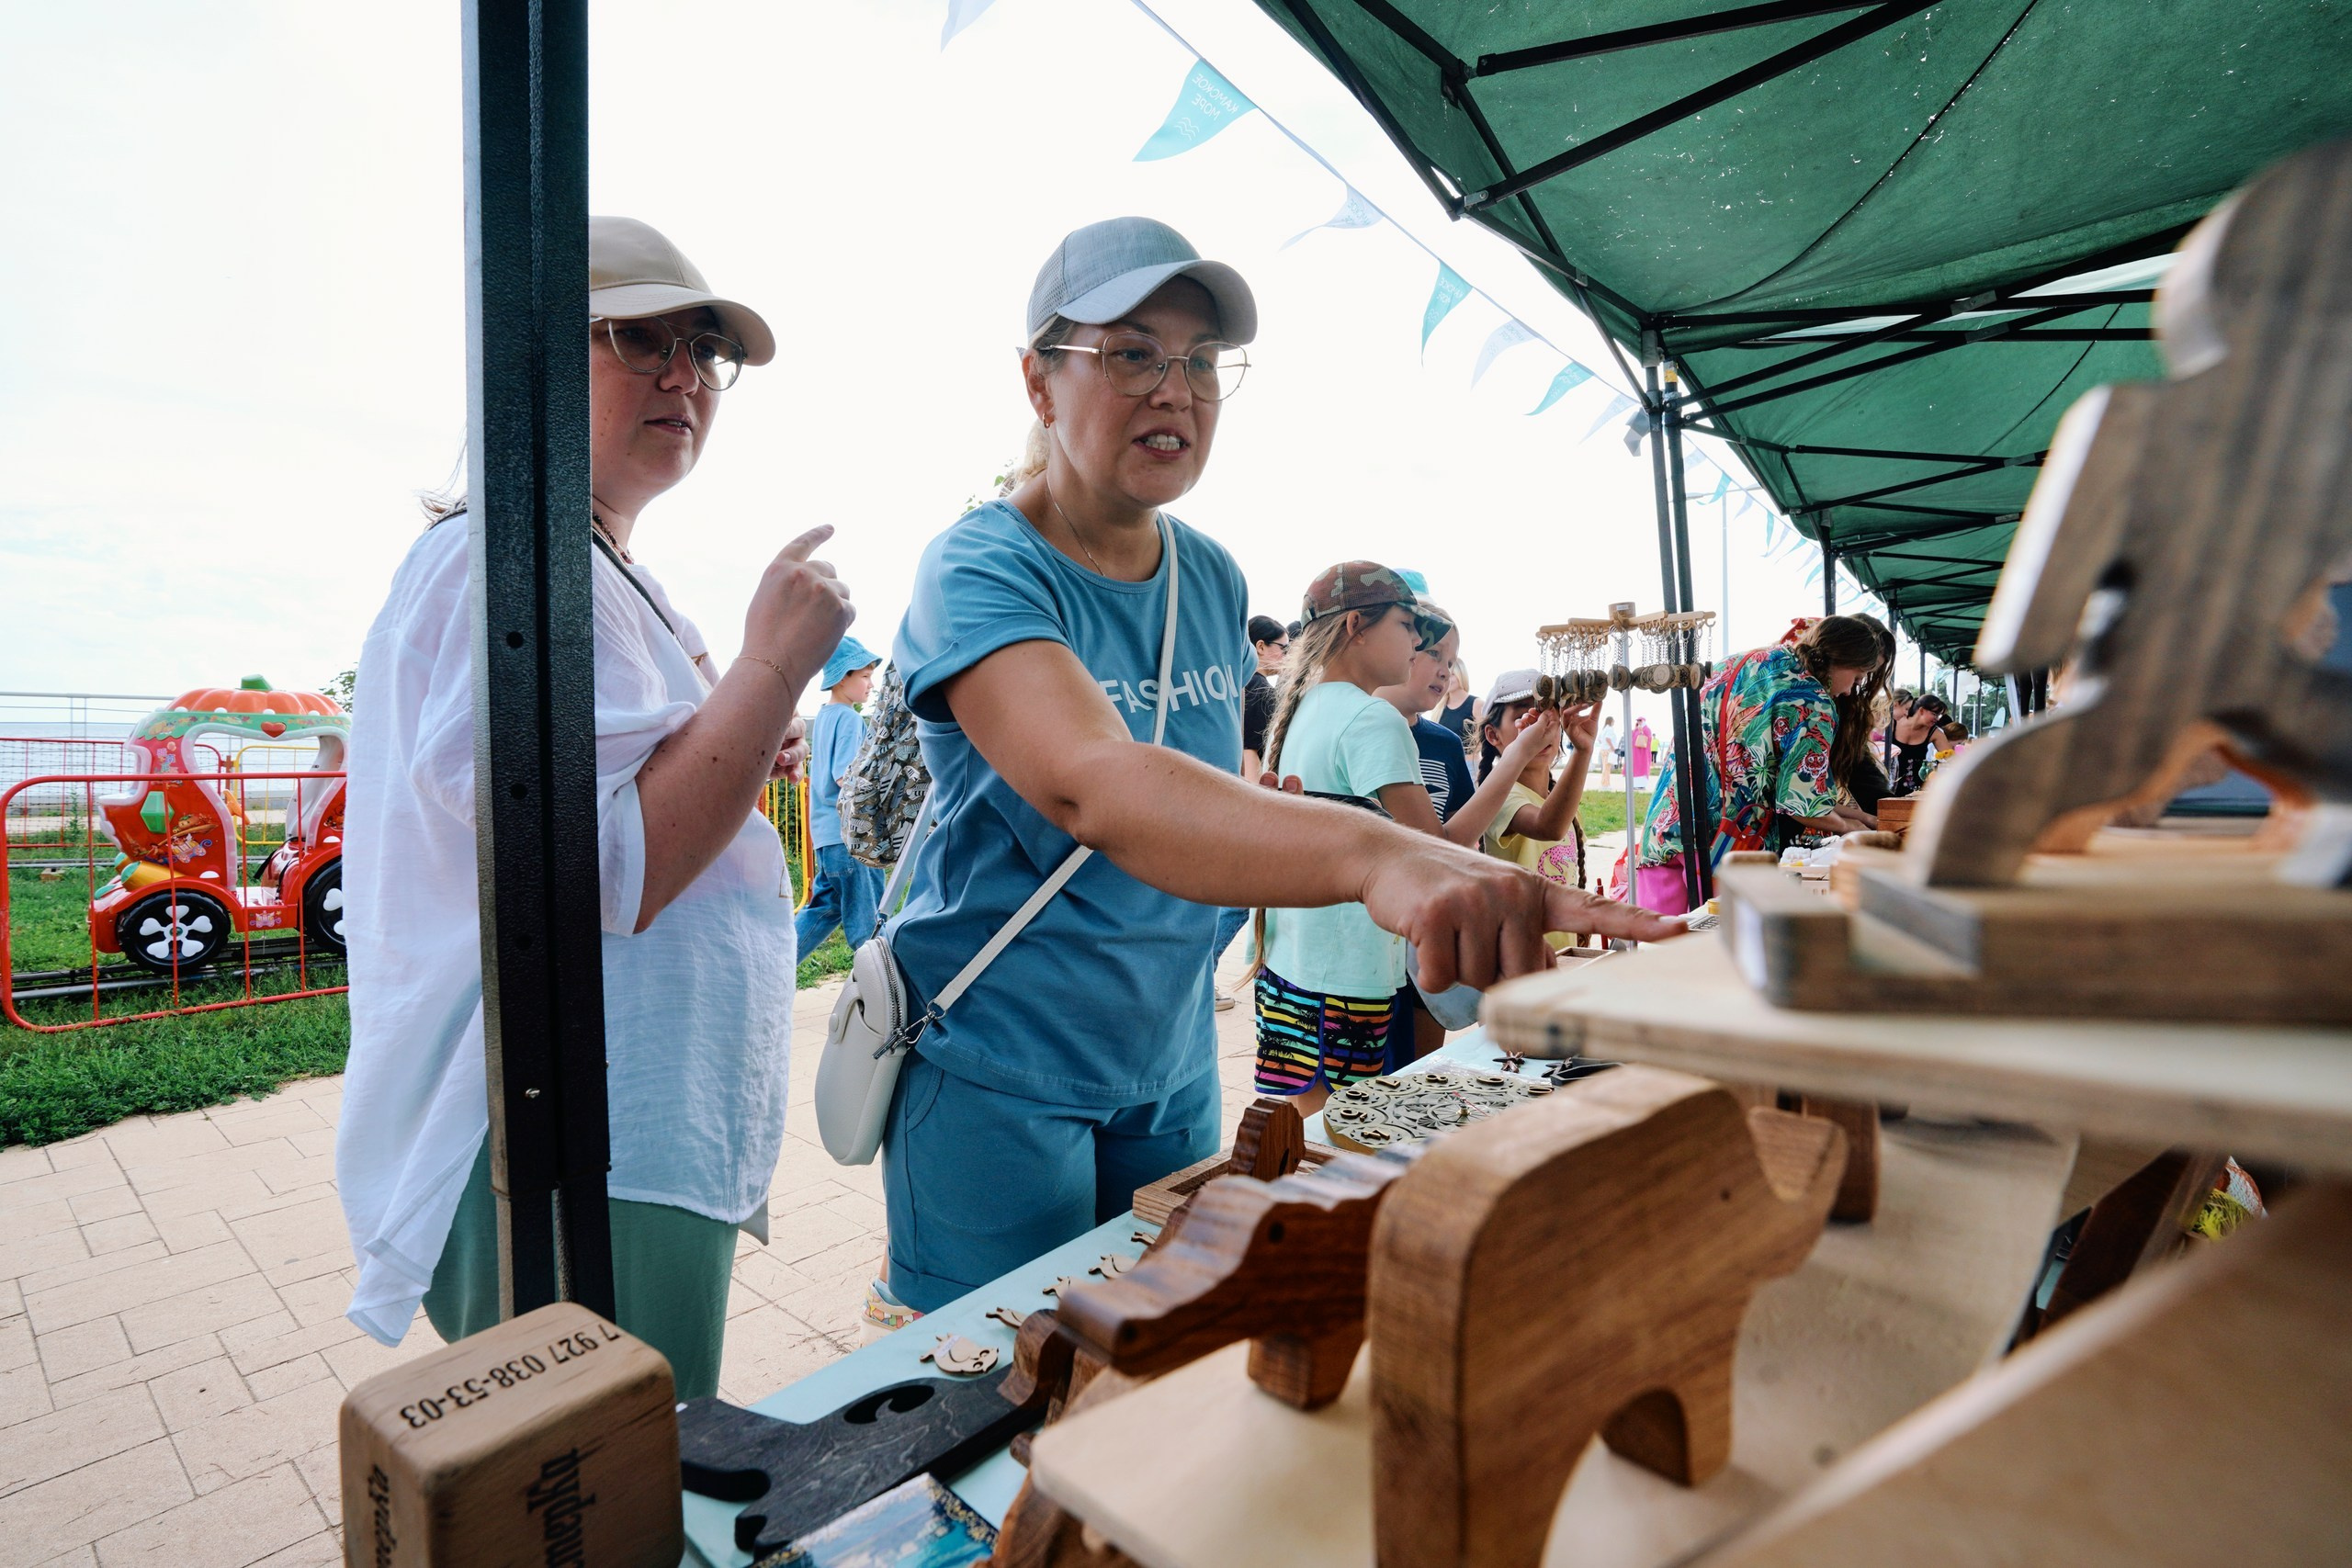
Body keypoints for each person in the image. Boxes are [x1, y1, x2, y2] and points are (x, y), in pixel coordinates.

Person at [874, 219, 1675, 1314]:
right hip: (1000, 1061)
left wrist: (1260, 813)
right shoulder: (980, 565)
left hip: (1169, 1055)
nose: (1175, 390)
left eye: (1201, 363)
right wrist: (1376, 855)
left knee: (1155, 1346)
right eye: (1132, 354)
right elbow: (1093, 784)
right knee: (997, 1381)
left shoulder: (1206, 573)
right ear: (1038, 380)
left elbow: (1189, 788)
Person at [337, 217, 854, 1398]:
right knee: (613, 1491)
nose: (684, 375)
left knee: (627, 1471)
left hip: (626, 1123)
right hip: (569, 1131)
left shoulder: (596, 567)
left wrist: (732, 734)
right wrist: (772, 665)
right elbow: (606, 866)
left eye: (701, 350)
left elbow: (630, 797)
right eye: (638, 338)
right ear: (531, 365)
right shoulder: (503, 564)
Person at [1372, 612, 1563, 1061]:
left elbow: (1459, 841)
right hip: (1364, 944)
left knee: (1415, 1071)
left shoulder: (1441, 742)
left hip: (1423, 939)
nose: (1445, 668)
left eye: (1452, 658)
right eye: (1433, 652)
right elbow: (1439, 843)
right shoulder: (1363, 730)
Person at [1630, 614, 1886, 913]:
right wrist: (1852, 827)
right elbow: (1803, 805)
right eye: (1856, 678)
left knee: (1661, 949)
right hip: (1728, 850)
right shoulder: (1811, 699)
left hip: (1667, 830)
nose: (1848, 691)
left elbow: (1787, 789)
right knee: (1716, 951)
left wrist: (1864, 818)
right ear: (1842, 659)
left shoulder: (1741, 661)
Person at [1476, 672, 1600, 942]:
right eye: (1524, 717)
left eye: (1548, 715)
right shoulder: (1499, 797)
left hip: (1560, 958)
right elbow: (1549, 826)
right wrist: (1582, 753)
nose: (1541, 728)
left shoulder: (1559, 797)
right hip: (1521, 963)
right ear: (1493, 735)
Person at [1207, 614, 1290, 1007]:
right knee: (1239, 900)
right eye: (1282, 648)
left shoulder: (1232, 683)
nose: (1287, 655)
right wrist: (1259, 802)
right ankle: (1203, 976)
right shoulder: (1259, 689)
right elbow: (1250, 751)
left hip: (1219, 795)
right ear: (1260, 647)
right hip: (1244, 798)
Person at [794, 636, 886, 957]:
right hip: (852, 838)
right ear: (843, 677)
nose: (871, 685)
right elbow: (845, 776)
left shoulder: (826, 717)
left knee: (823, 911)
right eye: (864, 676)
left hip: (827, 838)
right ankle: (882, 999)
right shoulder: (848, 718)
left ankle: (768, 971)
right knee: (869, 929)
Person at [1629, 717, 1656, 784]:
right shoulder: (1636, 730)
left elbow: (1648, 739)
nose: (1639, 722)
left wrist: (1641, 732)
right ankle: (1635, 783)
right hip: (1636, 752)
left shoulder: (1647, 729)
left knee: (1642, 767)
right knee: (1636, 767)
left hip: (1643, 752)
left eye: (1640, 720)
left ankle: (1641, 783)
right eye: (1638, 720)